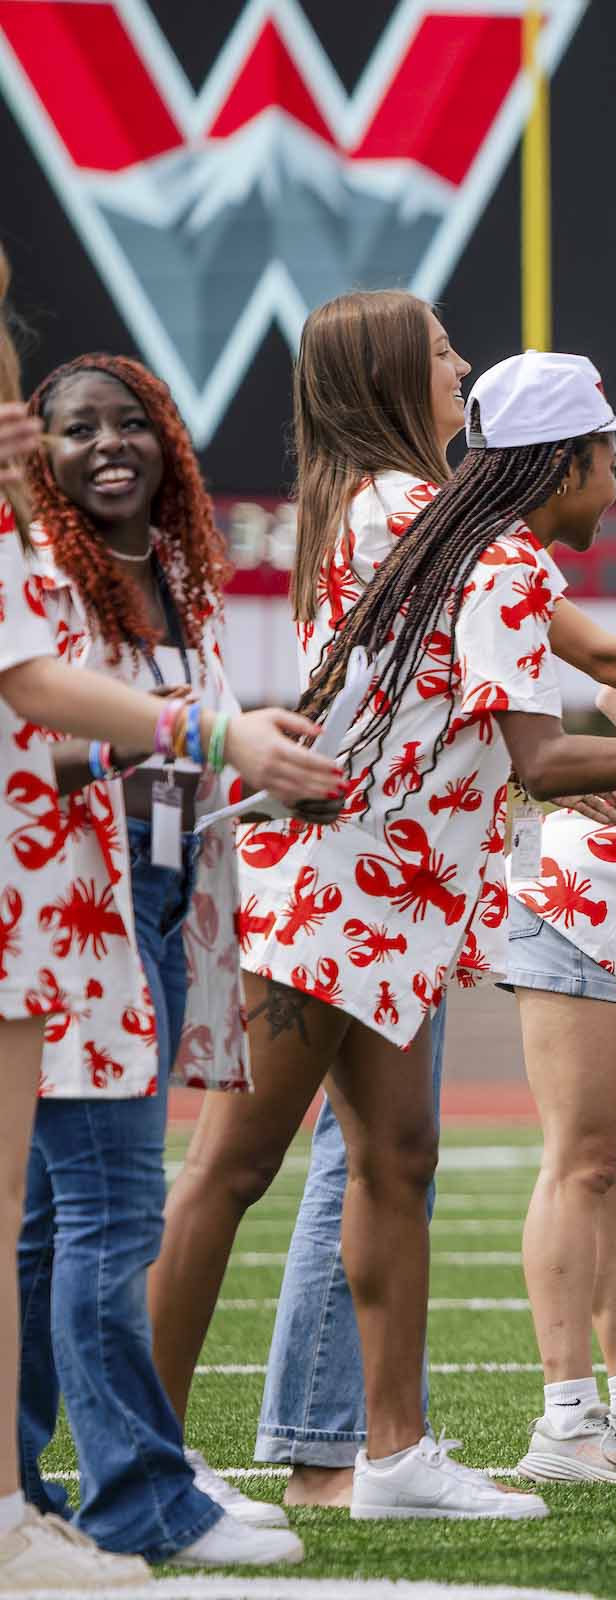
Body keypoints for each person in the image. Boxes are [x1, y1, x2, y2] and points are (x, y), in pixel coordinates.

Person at [152, 352, 616, 1522]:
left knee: (397, 1164)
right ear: (562, 465)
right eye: (609, 454)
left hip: (393, 904)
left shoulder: (429, 528)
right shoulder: (483, 552)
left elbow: (579, 683)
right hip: (336, 899)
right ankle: (144, 1453)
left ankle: (393, 1457)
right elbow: (546, 762)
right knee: (231, 1166)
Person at [0, 360, 344, 1580]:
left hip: (154, 895)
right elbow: (42, 752)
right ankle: (138, 1491)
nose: (107, 446)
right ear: (35, 451)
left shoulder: (179, 573)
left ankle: (34, 1489)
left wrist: (264, 771)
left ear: (168, 441)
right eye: (74, 427)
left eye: (128, 422)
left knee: (47, 1223)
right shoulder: (41, 577)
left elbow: (179, 747)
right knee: (102, 1214)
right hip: (72, 900)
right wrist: (201, 742)